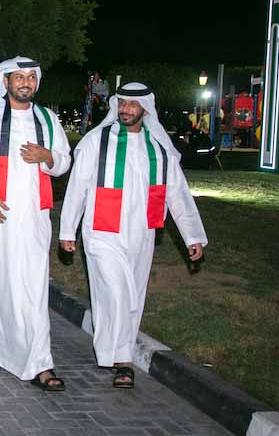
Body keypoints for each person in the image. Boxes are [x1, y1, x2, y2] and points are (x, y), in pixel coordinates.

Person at [59, 83, 206, 388]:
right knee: (115, 291)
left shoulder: (160, 149)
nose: (125, 109)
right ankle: (118, 357)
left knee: (134, 294)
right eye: (122, 103)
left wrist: (192, 235)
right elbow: (77, 187)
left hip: (142, 232)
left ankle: (120, 356)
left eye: (131, 104)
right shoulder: (97, 141)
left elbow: (177, 194)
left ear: (145, 109)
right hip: (101, 231)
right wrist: (67, 229)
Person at [0, 57, 71, 392]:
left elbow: (64, 161)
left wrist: (48, 157)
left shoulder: (48, 119)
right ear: (5, 82)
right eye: (19, 77)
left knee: (32, 288)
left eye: (31, 77)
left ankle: (39, 361)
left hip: (33, 219)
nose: (25, 83)